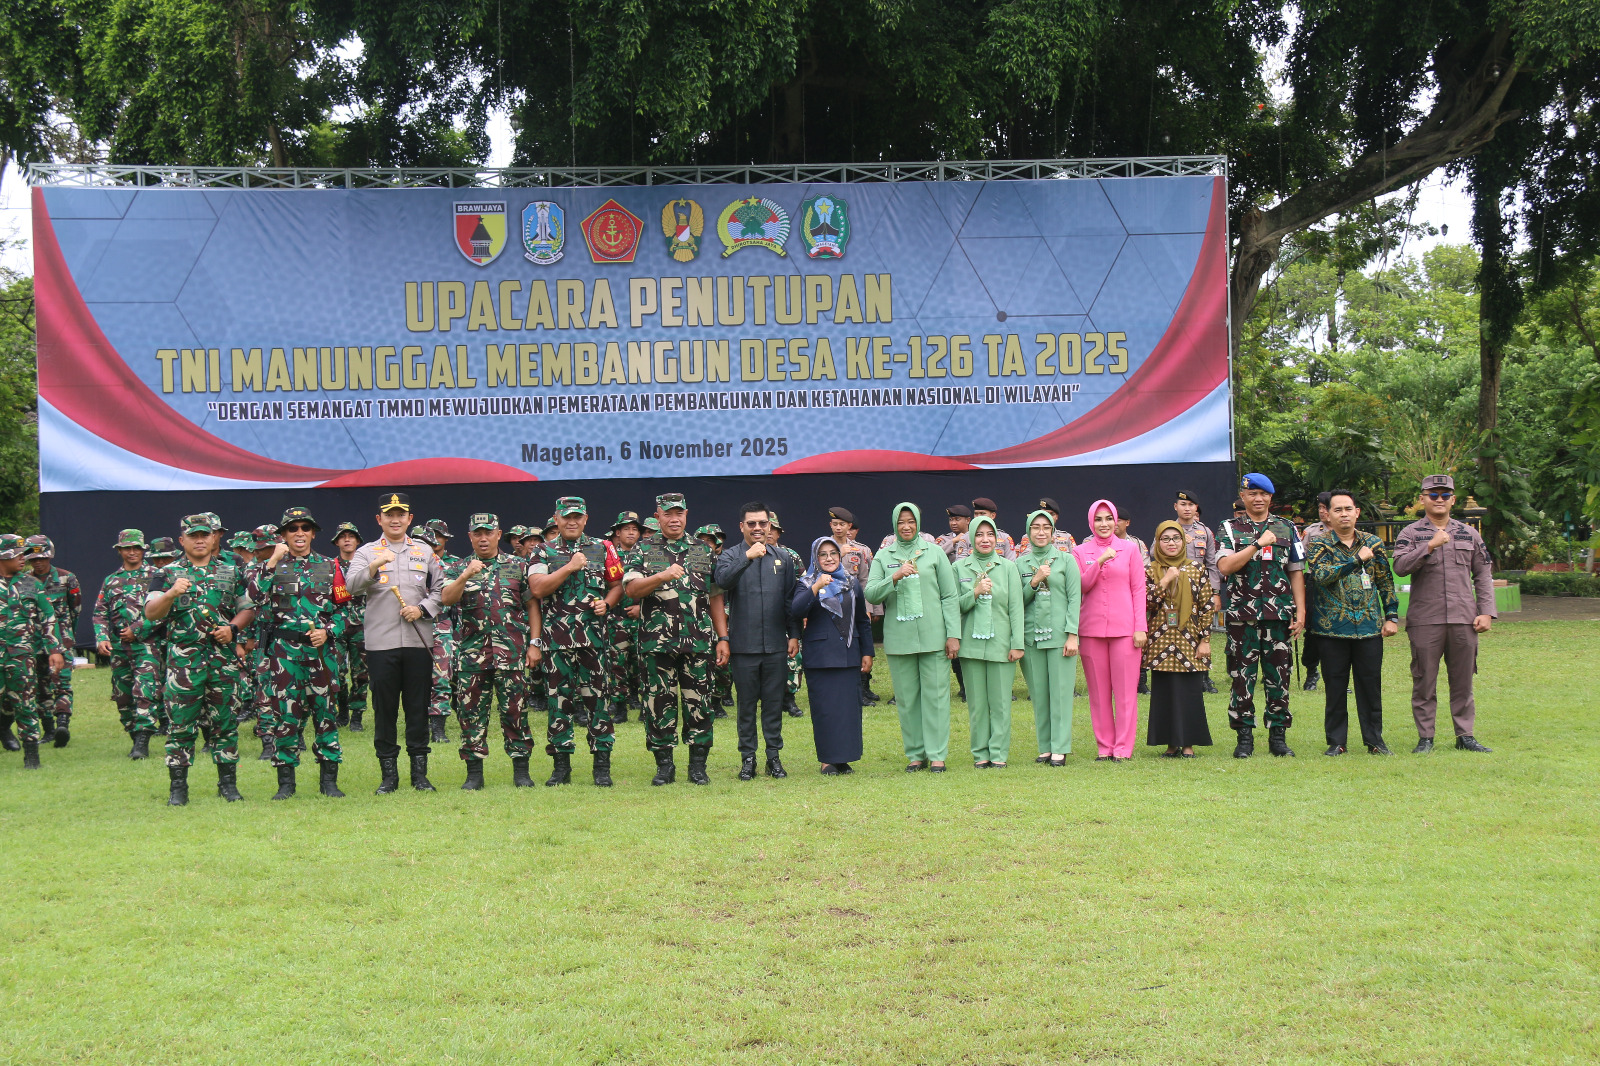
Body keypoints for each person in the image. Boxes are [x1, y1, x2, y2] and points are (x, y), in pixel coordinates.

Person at [144, 515, 253, 804]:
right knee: (180, 725)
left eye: (205, 534)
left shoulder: (231, 571)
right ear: (182, 540)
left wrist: (232, 629)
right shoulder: (167, 573)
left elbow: (247, 609)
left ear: (214, 537)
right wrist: (170, 594)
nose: (200, 540)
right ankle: (178, 789)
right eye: (193, 535)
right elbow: (151, 613)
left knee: (226, 724)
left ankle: (228, 785)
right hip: (184, 665)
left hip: (222, 663)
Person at [623, 493, 729, 785]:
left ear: (686, 514)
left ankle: (698, 766)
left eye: (679, 513)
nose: (674, 519)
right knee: (659, 704)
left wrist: (723, 637)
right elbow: (631, 590)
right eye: (667, 513)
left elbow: (716, 597)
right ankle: (664, 765)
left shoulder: (702, 550)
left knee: (699, 703)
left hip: (697, 642)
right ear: (657, 517)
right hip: (657, 643)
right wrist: (661, 576)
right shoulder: (642, 549)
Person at [345, 492, 447, 794]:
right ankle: (389, 776)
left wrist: (423, 609)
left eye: (400, 514)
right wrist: (376, 564)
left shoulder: (424, 552)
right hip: (381, 644)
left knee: (417, 709)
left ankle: (420, 775)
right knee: (385, 710)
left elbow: (441, 590)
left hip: (418, 642)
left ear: (409, 519)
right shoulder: (366, 552)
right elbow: (351, 586)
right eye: (389, 514)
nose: (395, 519)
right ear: (380, 519)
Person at [247, 506, 347, 799]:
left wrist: (328, 631)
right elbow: (253, 598)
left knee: (326, 714)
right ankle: (286, 784)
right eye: (293, 529)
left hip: (321, 655)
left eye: (305, 528)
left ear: (313, 533)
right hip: (284, 655)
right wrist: (273, 561)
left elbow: (347, 610)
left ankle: (329, 782)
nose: (299, 533)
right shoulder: (269, 566)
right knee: (286, 718)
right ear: (283, 535)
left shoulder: (331, 566)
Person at [1392, 474, 1496, 753]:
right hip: (1426, 619)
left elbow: (1483, 574)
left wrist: (1486, 612)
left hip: (1464, 618)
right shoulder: (1410, 534)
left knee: (1463, 680)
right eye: (1433, 494)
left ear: (1453, 500)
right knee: (1424, 680)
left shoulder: (1469, 533)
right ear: (1422, 499)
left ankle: (1465, 735)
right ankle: (1426, 737)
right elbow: (1400, 567)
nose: (1439, 499)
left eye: (1444, 495)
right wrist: (1429, 546)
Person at [439, 513, 543, 789]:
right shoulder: (459, 567)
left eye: (489, 532)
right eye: (477, 533)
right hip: (472, 655)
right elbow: (446, 599)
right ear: (470, 537)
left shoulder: (517, 565)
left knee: (515, 711)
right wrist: (465, 575)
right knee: (471, 713)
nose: (483, 538)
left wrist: (534, 643)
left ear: (499, 534)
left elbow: (532, 605)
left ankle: (521, 771)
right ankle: (474, 773)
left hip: (512, 652)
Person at [526, 496, 623, 786]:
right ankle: (561, 767)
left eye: (577, 517)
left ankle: (602, 766)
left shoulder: (603, 548)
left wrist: (607, 603)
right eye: (566, 517)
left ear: (585, 519)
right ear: (556, 518)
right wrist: (570, 566)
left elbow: (617, 585)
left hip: (594, 642)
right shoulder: (542, 551)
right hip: (556, 643)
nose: (572, 522)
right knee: (559, 704)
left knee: (599, 704)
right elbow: (537, 588)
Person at [865, 503, 962, 772]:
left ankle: (937, 754)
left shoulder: (934, 553)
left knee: (936, 697)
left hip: (934, 637)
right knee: (907, 700)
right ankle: (916, 755)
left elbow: (950, 595)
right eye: (901, 522)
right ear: (894, 525)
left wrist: (953, 634)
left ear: (918, 522)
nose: (906, 527)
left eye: (911, 521)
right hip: (900, 640)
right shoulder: (884, 556)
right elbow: (871, 594)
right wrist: (893, 577)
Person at [1216, 474, 1306, 758]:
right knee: (1242, 676)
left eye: (1263, 494)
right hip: (1242, 617)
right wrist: (1256, 544)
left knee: (1279, 677)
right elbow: (1225, 567)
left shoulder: (1287, 527)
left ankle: (1277, 737)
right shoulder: (1229, 528)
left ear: (1270, 498)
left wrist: (1300, 611)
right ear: (1242, 497)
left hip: (1278, 615)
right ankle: (1244, 737)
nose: (1257, 499)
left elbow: (1295, 571)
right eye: (1252, 493)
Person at [1306, 490, 1398, 756]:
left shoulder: (1374, 544)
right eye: (1338, 510)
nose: (1344, 514)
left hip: (1369, 627)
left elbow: (1385, 581)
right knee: (1335, 688)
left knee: (1370, 687)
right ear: (1328, 515)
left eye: (1348, 509)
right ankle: (1337, 742)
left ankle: (1375, 740)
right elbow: (1322, 576)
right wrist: (1356, 559)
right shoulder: (1319, 545)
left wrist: (1391, 615)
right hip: (1331, 629)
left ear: (1357, 512)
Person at [715, 503, 802, 779]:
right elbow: (722, 582)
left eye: (762, 523)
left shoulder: (784, 558)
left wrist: (795, 634)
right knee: (747, 705)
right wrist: (748, 557)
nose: (757, 528)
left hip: (776, 644)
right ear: (741, 526)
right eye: (751, 524)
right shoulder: (730, 556)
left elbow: (791, 601)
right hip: (743, 645)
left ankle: (773, 757)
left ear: (769, 526)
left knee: (774, 705)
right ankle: (748, 758)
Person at [790, 536, 874, 774]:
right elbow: (796, 610)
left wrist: (867, 651)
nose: (829, 558)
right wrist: (816, 588)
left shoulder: (851, 582)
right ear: (815, 558)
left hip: (849, 654)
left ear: (840, 556)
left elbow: (861, 621)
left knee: (848, 709)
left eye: (833, 553)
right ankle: (828, 760)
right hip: (821, 657)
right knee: (825, 709)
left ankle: (845, 758)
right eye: (823, 554)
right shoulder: (806, 582)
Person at [1074, 500, 1146, 761]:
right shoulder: (1080, 551)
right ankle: (1104, 747)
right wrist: (1100, 561)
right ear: (1091, 522)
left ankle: (1123, 748)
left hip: (1126, 631)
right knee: (1098, 694)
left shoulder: (1130, 549)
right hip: (1091, 630)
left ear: (1116, 521)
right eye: (1098, 519)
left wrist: (1140, 627)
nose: (1103, 524)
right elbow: (1081, 586)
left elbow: (1139, 589)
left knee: (1126, 693)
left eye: (1108, 519)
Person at [954, 516, 1025, 768]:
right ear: (971, 539)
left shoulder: (1008, 568)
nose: (985, 540)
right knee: (977, 705)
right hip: (971, 646)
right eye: (979, 535)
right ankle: (980, 753)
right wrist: (974, 592)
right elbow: (953, 607)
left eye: (990, 534)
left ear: (997, 538)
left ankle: (998, 754)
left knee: (1001, 703)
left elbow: (1016, 608)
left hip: (1001, 645)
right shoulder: (959, 568)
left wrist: (1017, 643)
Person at [1015, 509, 1081, 766]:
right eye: (1035, 528)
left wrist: (1072, 634)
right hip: (1031, 638)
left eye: (1046, 528)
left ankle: (1060, 747)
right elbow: (1015, 602)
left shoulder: (1066, 561)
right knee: (1039, 694)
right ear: (1028, 532)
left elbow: (1075, 599)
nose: (1040, 532)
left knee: (1061, 693)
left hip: (1060, 637)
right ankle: (1045, 746)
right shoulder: (1019, 563)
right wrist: (1034, 581)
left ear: (1053, 533)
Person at [1144, 521, 1215, 757]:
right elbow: (1146, 603)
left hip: (1189, 640)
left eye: (1176, 538)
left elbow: (1206, 606)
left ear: (1183, 541)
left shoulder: (1196, 568)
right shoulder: (1150, 570)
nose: (1171, 543)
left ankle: (1188, 745)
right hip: (1160, 640)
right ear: (1157, 543)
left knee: (1189, 693)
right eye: (1165, 539)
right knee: (1164, 694)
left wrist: (1205, 640)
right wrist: (1164, 580)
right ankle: (1170, 744)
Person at [0, 535, 66, 770]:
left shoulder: (31, 584)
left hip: (21, 656)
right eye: (18, 555)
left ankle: (31, 754)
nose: (23, 559)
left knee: (26, 703)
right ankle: (4, 731)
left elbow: (48, 616)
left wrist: (54, 649)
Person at [92, 529, 160, 758]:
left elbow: (164, 610)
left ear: (143, 550)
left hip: (147, 645)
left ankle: (142, 740)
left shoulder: (157, 575)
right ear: (119, 550)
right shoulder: (111, 580)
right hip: (119, 648)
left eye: (136, 548)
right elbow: (99, 613)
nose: (132, 552)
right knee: (123, 696)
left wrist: (138, 629)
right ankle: (134, 734)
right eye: (127, 548)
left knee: (145, 690)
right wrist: (101, 637)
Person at [24, 536, 79, 747]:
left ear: (50, 556)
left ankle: (62, 723)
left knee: (62, 683)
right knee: (40, 686)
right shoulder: (24, 581)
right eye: (33, 558)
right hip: (33, 641)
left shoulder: (67, 578)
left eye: (42, 558)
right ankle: (48, 729)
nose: (38, 562)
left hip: (60, 641)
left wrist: (66, 636)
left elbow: (76, 609)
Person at [829, 507, 881, 706]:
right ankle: (841, 689)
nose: (839, 528)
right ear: (830, 525)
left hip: (855, 606)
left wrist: (868, 608)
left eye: (842, 524)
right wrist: (838, 554)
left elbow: (865, 580)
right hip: (832, 605)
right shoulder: (823, 547)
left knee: (859, 647)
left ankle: (862, 690)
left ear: (849, 526)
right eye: (835, 524)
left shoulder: (859, 550)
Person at [1173, 490, 1222, 694]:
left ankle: (1204, 677)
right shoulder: (1168, 529)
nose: (1187, 508)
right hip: (1176, 590)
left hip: (1201, 591)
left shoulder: (1205, 532)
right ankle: (1176, 672)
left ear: (1196, 509)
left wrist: (1215, 592)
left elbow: (1212, 563)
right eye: (1183, 504)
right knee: (1176, 630)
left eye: (1191, 505)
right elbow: (1156, 557)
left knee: (1203, 630)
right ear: (1175, 506)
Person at [606, 512, 646, 724]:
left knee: (645, 665)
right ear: (617, 533)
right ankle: (620, 707)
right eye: (626, 529)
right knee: (617, 665)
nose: (631, 533)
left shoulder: (648, 554)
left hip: (644, 619)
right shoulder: (609, 557)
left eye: (635, 529)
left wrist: (641, 607)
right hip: (616, 620)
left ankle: (644, 708)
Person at [330, 521, 368, 731]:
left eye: (351, 536)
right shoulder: (329, 566)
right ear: (337, 542)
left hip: (363, 625)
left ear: (358, 541)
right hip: (337, 625)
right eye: (343, 537)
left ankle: (357, 715)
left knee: (361, 673)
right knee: (336, 671)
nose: (347, 540)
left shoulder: (367, 565)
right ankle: (342, 706)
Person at [1299, 491, 1334, 691]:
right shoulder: (1312, 531)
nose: (1322, 512)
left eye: (1325, 508)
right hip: (1315, 582)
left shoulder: (1347, 529)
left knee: (1339, 631)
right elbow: (1298, 559)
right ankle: (1311, 671)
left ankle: (1337, 676)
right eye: (1320, 508)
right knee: (1312, 629)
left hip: (1341, 583)